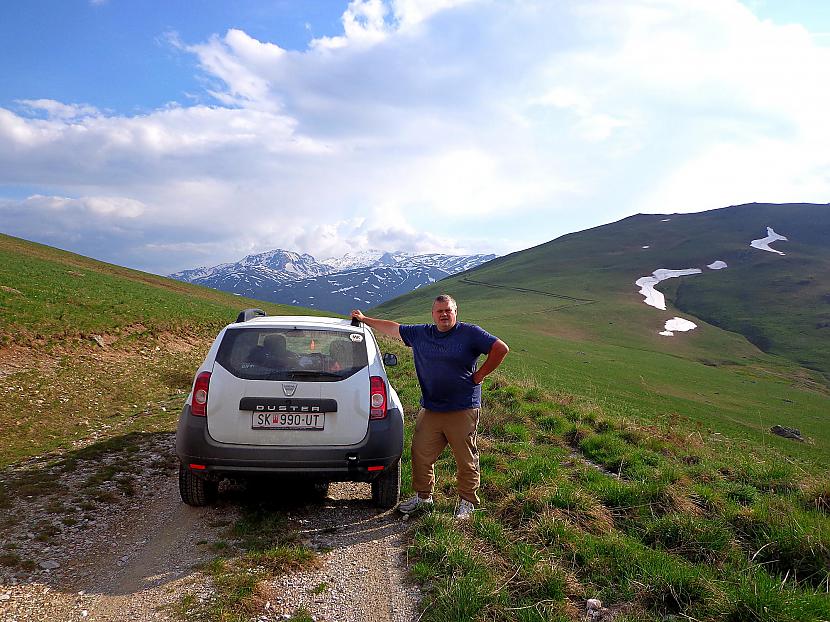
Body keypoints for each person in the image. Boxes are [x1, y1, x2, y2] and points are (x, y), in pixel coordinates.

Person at [351, 294, 509, 519]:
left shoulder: (470, 333)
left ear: (456, 312)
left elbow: (501, 349)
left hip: (462, 408)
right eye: (439, 311)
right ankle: (424, 498)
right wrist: (365, 319)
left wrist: (479, 376)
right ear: (433, 314)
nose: (444, 314)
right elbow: (393, 329)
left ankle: (467, 503)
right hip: (432, 408)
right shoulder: (421, 333)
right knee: (420, 454)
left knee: (465, 458)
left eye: (448, 310)